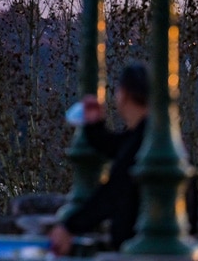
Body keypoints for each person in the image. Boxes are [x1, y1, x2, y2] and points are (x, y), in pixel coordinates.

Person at [49, 64, 150, 255]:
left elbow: (114, 192)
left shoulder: (144, 139)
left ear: (123, 94)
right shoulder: (151, 136)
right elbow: (117, 147)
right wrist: (95, 126)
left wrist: (70, 226)